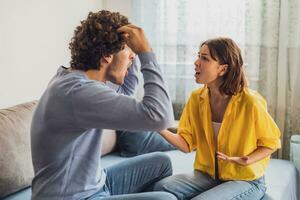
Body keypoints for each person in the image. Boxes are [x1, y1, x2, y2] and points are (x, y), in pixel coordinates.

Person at [30, 10, 176, 200]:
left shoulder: (71, 79)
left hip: (95, 184)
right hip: (74, 197)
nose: (133, 57)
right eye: (128, 51)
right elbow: (160, 117)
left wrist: (129, 58)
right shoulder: (79, 93)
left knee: (161, 162)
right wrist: (145, 52)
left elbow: (125, 95)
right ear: (107, 55)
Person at [153, 37, 281, 200]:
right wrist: (157, 127)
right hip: (209, 177)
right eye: (198, 56)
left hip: (245, 179)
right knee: (161, 187)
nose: (196, 62)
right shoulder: (196, 98)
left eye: (204, 58)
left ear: (222, 69)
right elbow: (186, 144)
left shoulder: (250, 102)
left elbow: (271, 143)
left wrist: (247, 160)